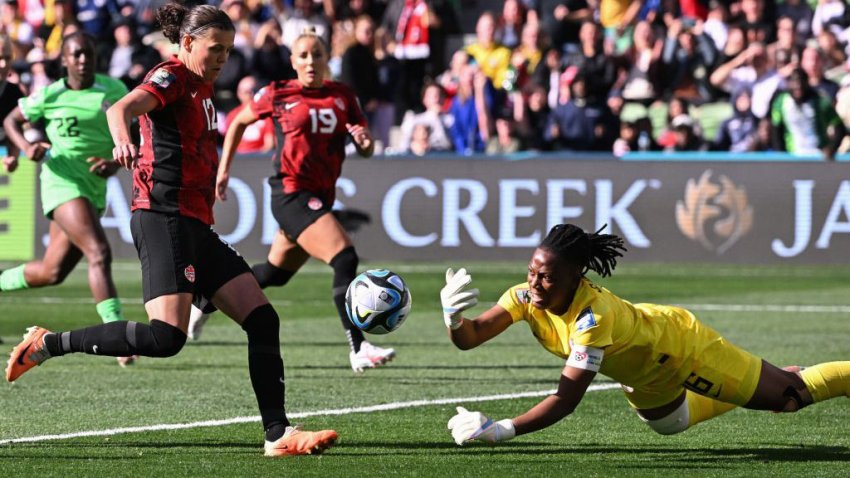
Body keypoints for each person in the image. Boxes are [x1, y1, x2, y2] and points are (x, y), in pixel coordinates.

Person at [4, 4, 338, 457]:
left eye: (228, 49)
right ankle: (48, 344)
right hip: (163, 218)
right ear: (186, 44)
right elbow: (123, 107)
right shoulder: (174, 75)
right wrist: (123, 138)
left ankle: (277, 435)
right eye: (214, 49)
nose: (223, 57)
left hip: (195, 223)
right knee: (166, 338)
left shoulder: (201, 85)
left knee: (263, 319)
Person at [441, 224, 850, 446]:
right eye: (532, 271)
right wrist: (454, 318)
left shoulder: (592, 318)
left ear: (576, 277)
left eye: (547, 277)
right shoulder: (524, 297)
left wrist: (503, 429)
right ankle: (759, 380)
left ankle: (798, 379)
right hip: (643, 373)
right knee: (670, 424)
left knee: (790, 398)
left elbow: (565, 401)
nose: (535, 283)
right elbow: (471, 337)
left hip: (680, 349)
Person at [191, 27, 396, 373]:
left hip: (319, 196)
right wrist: (223, 169)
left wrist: (364, 141)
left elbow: (366, 148)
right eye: (303, 55)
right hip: (290, 193)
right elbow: (239, 122)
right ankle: (358, 347)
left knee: (274, 273)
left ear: (327, 58)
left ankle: (208, 296)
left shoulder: (343, 96)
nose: (310, 61)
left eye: (317, 54)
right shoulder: (279, 93)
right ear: (293, 61)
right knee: (344, 257)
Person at [1, 32, 135, 367]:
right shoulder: (50, 93)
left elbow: (132, 133)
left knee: (52, 272)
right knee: (99, 252)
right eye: (75, 55)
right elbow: (11, 120)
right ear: (64, 59)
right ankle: (116, 335)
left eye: (87, 53)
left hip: (93, 186)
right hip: (61, 180)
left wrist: (115, 161)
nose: (82, 60)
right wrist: (28, 146)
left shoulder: (114, 90)